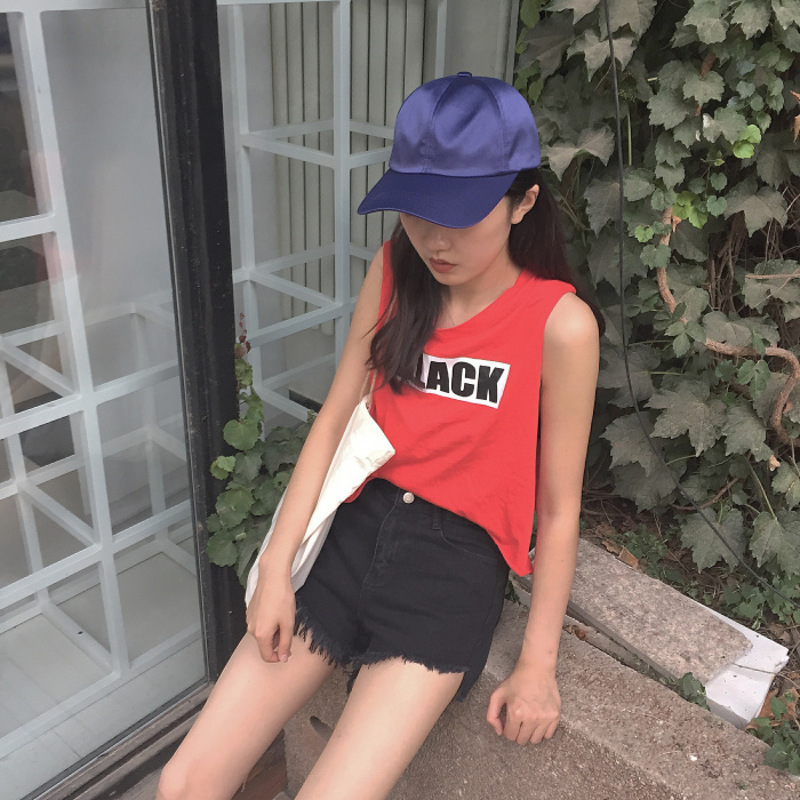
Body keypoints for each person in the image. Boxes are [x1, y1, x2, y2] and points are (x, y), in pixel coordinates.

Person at [157, 71, 600, 800]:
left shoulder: (560, 324)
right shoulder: (396, 270)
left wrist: (537, 665)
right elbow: (336, 416)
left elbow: (558, 507)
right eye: (417, 212)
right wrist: (276, 567)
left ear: (523, 202)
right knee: (182, 783)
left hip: (450, 574)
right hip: (350, 534)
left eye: (460, 215)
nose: (435, 240)